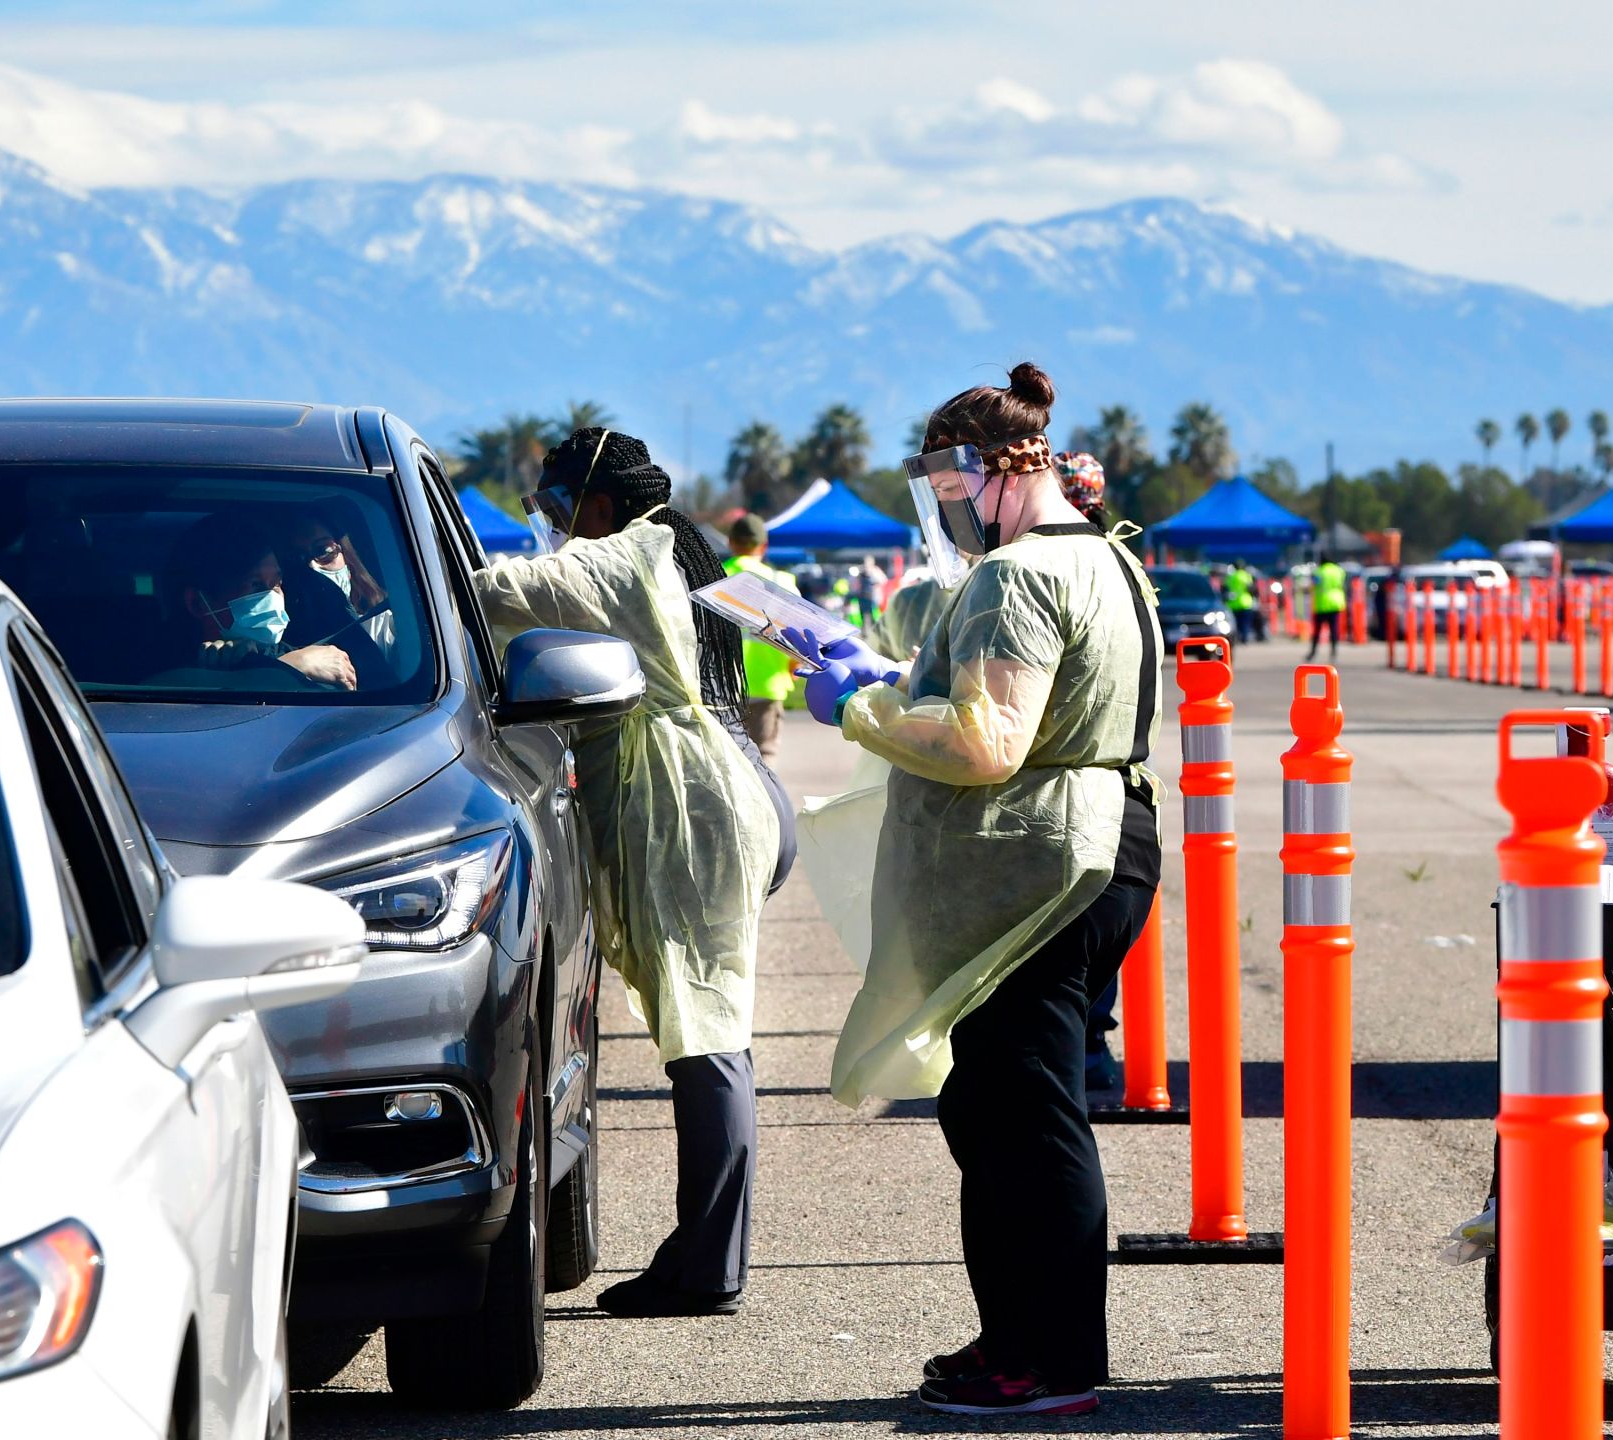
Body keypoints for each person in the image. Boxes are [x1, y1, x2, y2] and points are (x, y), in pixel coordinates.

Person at [791, 361, 1160, 1417]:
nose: (947, 519)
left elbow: (983, 741)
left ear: (984, 473)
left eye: (948, 497)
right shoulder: (1106, 556)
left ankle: (1050, 1363)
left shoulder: (1019, 575)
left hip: (1042, 863)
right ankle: (1015, 1338)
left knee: (1026, 1118)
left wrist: (858, 707)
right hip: (1100, 846)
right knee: (992, 1107)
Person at [486, 427, 782, 1317]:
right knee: (706, 1029)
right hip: (721, 795)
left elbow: (495, 593)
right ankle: (705, 1251)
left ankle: (709, 1265)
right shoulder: (672, 550)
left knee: (706, 1037)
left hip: (691, 812)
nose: (548, 527)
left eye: (550, 508)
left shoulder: (625, 558)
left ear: (599, 506)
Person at [153, 512, 359, 691]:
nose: (273, 597)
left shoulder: (305, 653)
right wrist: (288, 668)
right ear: (197, 603)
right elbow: (152, 692)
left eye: (277, 583)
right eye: (256, 585)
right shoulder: (161, 653)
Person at [277, 510, 397, 680]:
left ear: (347, 556)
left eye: (324, 551)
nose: (312, 567)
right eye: (297, 559)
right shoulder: (271, 632)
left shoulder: (388, 627)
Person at [722, 514, 798, 759]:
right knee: (764, 757)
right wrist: (793, 668)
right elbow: (797, 636)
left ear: (731, 543)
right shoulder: (781, 582)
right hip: (768, 684)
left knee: (730, 758)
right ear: (763, 546)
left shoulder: (714, 577)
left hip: (723, 686)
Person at [1305, 551, 1347, 660]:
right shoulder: (1338, 571)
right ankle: (1334, 653)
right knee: (1334, 630)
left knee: (1317, 631)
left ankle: (1313, 652)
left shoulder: (1318, 572)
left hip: (1322, 604)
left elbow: (1313, 585)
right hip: (1335, 603)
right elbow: (1342, 584)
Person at [1224, 561, 1263, 643]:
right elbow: (1252, 589)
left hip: (1233, 604)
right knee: (1245, 623)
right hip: (1246, 603)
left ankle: (1237, 638)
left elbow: (1225, 589)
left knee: (1236, 624)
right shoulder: (1246, 576)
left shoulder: (1231, 577)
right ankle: (1244, 639)